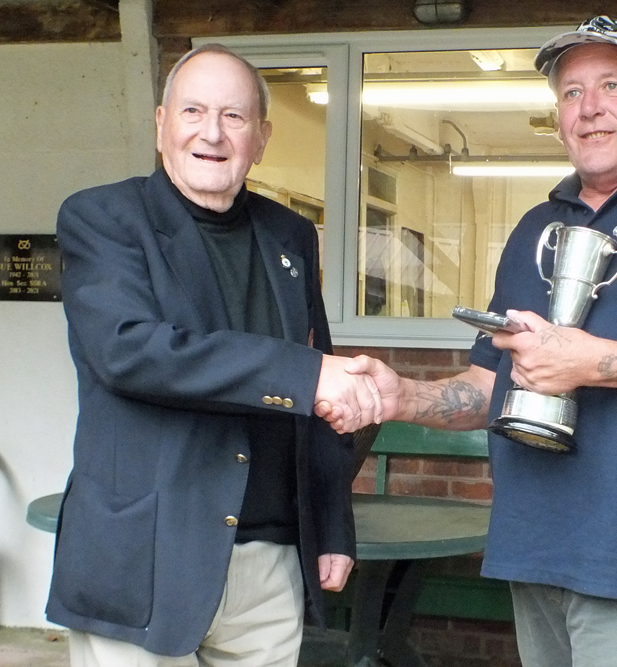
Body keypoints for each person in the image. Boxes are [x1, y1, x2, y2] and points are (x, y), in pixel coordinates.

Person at [320, 16, 617, 667]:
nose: (589, 107)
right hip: (529, 546)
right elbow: (490, 387)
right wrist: (400, 395)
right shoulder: (534, 227)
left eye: (611, 85)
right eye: (571, 92)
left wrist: (590, 361)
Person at [48, 44, 384, 667]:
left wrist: (333, 524)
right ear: (161, 124)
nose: (212, 132)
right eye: (193, 110)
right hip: (143, 556)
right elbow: (129, 351)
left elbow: (318, 392)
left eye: (234, 116)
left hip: (269, 563)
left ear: (262, 137)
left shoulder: (290, 235)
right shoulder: (103, 218)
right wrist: (306, 375)